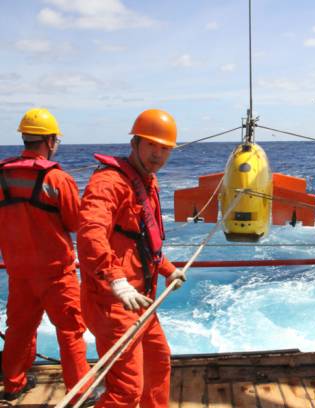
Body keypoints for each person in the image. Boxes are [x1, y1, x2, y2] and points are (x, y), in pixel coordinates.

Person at [77, 109, 186, 407]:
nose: (158, 154)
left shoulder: (146, 182)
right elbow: (90, 233)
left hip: (141, 300)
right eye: (151, 145)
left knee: (158, 364)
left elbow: (141, 241)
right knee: (125, 392)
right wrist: (117, 281)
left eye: (165, 149)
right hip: (114, 302)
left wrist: (167, 269)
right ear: (135, 142)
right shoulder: (109, 183)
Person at [0, 108, 91, 400]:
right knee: (70, 330)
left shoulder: (2, 175)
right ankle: (79, 392)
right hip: (55, 272)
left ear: (24, 138)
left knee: (19, 329)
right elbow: (75, 223)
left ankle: (13, 386)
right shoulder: (58, 179)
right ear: (50, 141)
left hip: (18, 270)